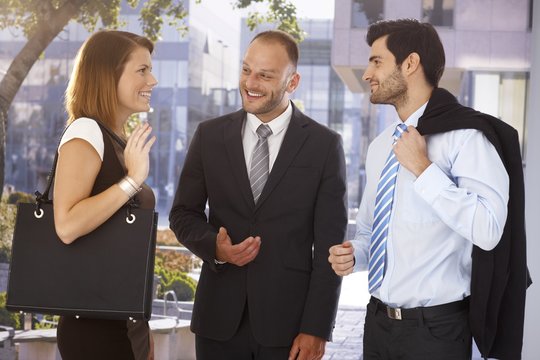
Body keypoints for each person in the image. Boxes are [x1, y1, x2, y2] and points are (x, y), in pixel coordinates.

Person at [328, 19, 529, 359]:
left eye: (377, 61)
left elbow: (489, 230)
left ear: (410, 63)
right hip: (377, 324)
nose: (366, 74)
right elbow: (368, 232)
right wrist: (354, 254)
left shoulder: (467, 138)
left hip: (437, 332)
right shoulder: (381, 147)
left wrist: (424, 170)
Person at [169, 30, 348, 360]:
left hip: (289, 327)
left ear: (292, 82)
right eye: (246, 69)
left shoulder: (324, 146)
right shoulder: (209, 136)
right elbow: (182, 213)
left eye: (264, 75)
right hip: (218, 322)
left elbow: (329, 247)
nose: (250, 83)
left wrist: (316, 327)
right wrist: (215, 247)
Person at [53, 30, 157, 360]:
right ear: (107, 75)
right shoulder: (86, 132)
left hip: (125, 325)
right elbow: (67, 225)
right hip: (96, 331)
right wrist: (133, 180)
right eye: (142, 70)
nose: (152, 80)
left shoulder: (116, 139)